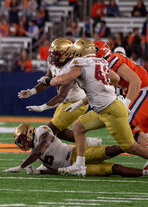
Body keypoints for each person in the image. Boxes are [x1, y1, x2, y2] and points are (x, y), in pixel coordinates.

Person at [47, 38, 148, 176]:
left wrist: (49, 80)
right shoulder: (100, 64)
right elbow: (113, 80)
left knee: (130, 146)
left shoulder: (92, 63)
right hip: (106, 108)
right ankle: (80, 166)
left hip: (113, 108)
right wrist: (80, 103)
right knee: (78, 126)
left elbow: (63, 80)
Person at [18, 38, 100, 146]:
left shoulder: (73, 67)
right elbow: (46, 81)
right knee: (59, 132)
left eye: (57, 54)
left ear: (66, 53)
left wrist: (42, 107)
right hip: (66, 101)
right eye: (52, 53)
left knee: (50, 130)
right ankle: (91, 142)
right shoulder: (53, 63)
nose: (53, 57)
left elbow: (62, 95)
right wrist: (31, 92)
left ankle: (49, 158)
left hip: (76, 102)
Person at [3, 124, 148, 177]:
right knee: (114, 169)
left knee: (109, 151)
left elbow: (40, 148)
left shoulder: (42, 132)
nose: (22, 143)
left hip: (76, 153)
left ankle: (133, 143)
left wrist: (21, 166)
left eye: (22, 139)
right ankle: (145, 173)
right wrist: (39, 171)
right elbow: (56, 169)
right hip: (71, 168)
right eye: (20, 142)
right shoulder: (35, 155)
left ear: (29, 132)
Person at [95, 41, 148, 145]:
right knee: (140, 131)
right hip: (140, 90)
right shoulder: (105, 67)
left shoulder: (111, 60)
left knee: (126, 121)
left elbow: (136, 81)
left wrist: (126, 105)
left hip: (143, 89)